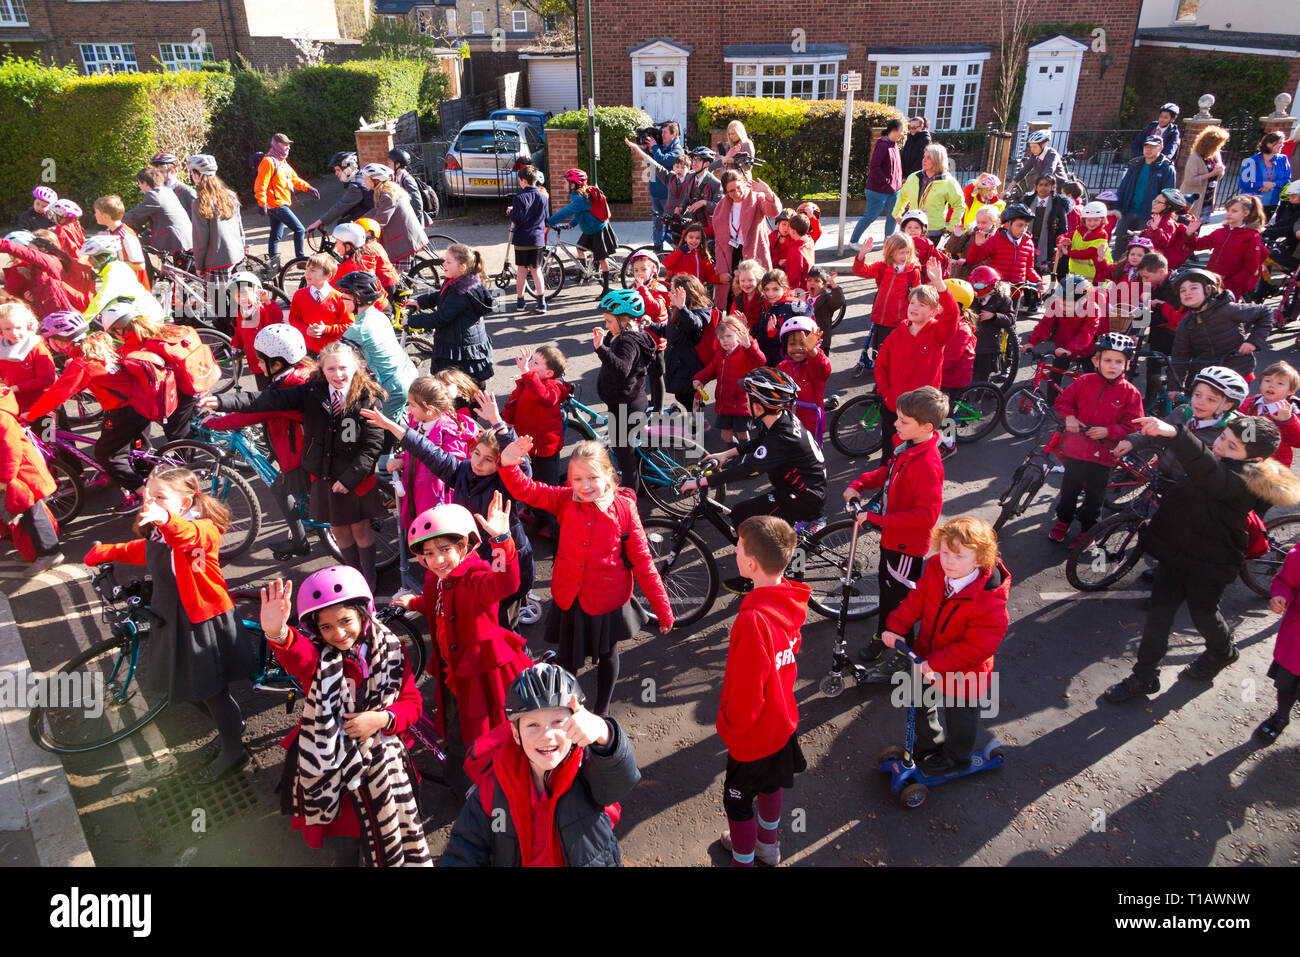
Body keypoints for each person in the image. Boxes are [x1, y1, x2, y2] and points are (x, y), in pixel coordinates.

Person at [1105, 415, 1300, 703]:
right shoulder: (1221, 463)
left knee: (1204, 614)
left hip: (1212, 563)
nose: (1220, 446)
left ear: (1255, 459)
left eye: (1232, 446)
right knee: (1159, 615)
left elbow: (1209, 473)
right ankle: (1144, 675)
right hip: (1177, 552)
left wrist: (1176, 434)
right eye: (1222, 438)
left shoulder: (1243, 482)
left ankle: (1223, 652)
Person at [84, 467, 254, 783]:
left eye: (160, 497)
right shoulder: (160, 529)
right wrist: (104, 552)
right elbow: (148, 551)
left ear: (186, 500)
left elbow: (186, 540)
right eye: (148, 495)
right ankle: (230, 727)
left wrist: (164, 519)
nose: (150, 502)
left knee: (210, 692)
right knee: (190, 688)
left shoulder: (203, 529)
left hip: (198, 620)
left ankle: (235, 751)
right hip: (171, 617)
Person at [256, 571, 430, 866]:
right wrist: (278, 633)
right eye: (326, 627)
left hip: (381, 762)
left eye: (345, 621)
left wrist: (381, 719)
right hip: (334, 770)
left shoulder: (392, 650)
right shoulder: (321, 659)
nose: (337, 634)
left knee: (381, 827)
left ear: (364, 613)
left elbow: (411, 703)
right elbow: (299, 656)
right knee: (346, 842)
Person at [499, 436, 673, 714]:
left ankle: (602, 711)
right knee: (568, 659)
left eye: (592, 477)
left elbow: (643, 562)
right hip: (571, 597)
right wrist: (508, 464)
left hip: (606, 600)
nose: (585, 486)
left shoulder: (624, 508)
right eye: (577, 479)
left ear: (607, 474)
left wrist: (663, 611)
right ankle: (567, 707)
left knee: (607, 655)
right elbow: (528, 490)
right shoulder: (565, 499)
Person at [201, 341, 388, 591]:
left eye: (343, 368)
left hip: (355, 478)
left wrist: (349, 479)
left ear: (355, 368)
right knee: (339, 531)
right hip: (324, 476)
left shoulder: (368, 398)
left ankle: (369, 580)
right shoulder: (312, 392)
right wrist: (221, 402)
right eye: (330, 369)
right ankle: (354, 578)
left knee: (360, 529)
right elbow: (265, 400)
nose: (337, 374)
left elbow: (372, 446)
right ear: (322, 370)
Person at [440, 662, 640, 866]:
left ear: (577, 722)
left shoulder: (588, 768)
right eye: (533, 725)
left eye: (558, 722)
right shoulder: (495, 786)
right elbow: (464, 847)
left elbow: (622, 781)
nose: (546, 736)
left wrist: (604, 732)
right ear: (516, 735)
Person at [391, 497, 533, 746]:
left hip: (480, 670)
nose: (437, 561)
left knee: (484, 725)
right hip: (453, 666)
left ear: (464, 546)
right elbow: (437, 605)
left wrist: (501, 540)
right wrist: (413, 603)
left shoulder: (476, 577)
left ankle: (480, 770)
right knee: (457, 716)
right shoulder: (436, 578)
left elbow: (505, 583)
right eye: (429, 554)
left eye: (445, 550)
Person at [880, 517, 1010, 777]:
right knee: (919, 701)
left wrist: (937, 663)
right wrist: (896, 625)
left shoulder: (988, 600)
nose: (948, 560)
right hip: (926, 655)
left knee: (961, 714)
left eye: (958, 556)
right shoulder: (936, 568)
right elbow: (918, 598)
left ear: (979, 560)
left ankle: (956, 757)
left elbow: (977, 647)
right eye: (946, 552)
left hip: (965, 671)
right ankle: (929, 745)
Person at [714, 515, 808, 867]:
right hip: (783, 724)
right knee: (771, 786)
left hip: (752, 736)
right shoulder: (788, 602)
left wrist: (731, 727)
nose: (735, 552)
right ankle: (768, 845)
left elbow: (746, 692)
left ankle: (743, 860)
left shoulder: (752, 619)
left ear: (750, 564)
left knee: (737, 801)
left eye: (738, 548)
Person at [845, 385, 947, 675]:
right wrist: (861, 482)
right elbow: (888, 472)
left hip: (906, 546)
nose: (896, 424)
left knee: (901, 602)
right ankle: (884, 635)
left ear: (926, 427)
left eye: (903, 421)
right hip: (894, 540)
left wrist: (876, 519)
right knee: (888, 593)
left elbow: (927, 516)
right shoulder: (909, 448)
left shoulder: (926, 464)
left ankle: (903, 652)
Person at [682, 367, 827, 563]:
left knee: (743, 514)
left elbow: (746, 469)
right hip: (801, 488)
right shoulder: (780, 418)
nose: (746, 401)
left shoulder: (781, 438)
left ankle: (767, 567)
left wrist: (700, 482)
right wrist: (726, 453)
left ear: (758, 407)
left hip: (802, 498)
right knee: (750, 514)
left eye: (748, 397)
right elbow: (760, 441)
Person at [204, 323, 314, 560]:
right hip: (305, 445)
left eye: (262, 361)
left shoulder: (287, 387)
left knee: (279, 488)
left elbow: (253, 411)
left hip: (299, 453)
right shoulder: (303, 373)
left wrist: (211, 422)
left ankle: (299, 541)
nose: (259, 366)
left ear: (277, 363)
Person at [24, 316, 146, 513]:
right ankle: (143, 474)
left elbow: (58, 393)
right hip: (137, 403)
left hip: (124, 410)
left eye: (50, 340)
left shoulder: (81, 362)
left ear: (61, 340)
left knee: (107, 455)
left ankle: (142, 493)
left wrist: (31, 415)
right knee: (125, 447)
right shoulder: (98, 343)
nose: (49, 344)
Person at [1048, 333, 1144, 545]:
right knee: (1068, 491)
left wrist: (1108, 432)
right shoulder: (1084, 381)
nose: (1112, 366)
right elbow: (1064, 401)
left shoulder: (1131, 393)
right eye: (1107, 360)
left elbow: (1133, 425)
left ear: (1126, 365)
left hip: (1103, 455)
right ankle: (1063, 521)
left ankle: (1087, 530)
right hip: (1076, 450)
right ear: (1096, 361)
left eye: (1119, 361)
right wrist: (1070, 416)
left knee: (1094, 498)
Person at [873, 258, 961, 462]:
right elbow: (881, 366)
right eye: (912, 302)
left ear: (934, 312)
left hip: (922, 409)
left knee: (917, 455)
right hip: (894, 406)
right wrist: (886, 394)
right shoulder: (896, 335)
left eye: (922, 305)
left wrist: (940, 285)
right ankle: (888, 483)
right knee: (890, 452)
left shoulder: (938, 334)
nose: (914, 307)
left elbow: (953, 315)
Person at [588, 288, 656, 487]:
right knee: (628, 451)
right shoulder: (631, 335)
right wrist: (608, 339)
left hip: (625, 406)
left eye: (609, 321)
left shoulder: (627, 342)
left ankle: (630, 499)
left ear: (625, 320)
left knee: (625, 458)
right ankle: (642, 484)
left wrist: (601, 348)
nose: (606, 325)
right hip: (632, 401)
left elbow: (621, 370)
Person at [502, 345, 572, 538]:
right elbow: (514, 402)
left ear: (549, 373)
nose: (530, 363)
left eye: (535, 362)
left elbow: (543, 396)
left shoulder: (554, 387)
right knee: (530, 481)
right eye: (531, 360)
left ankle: (555, 527)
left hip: (545, 448)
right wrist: (506, 420)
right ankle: (536, 513)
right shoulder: (528, 382)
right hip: (527, 446)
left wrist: (526, 371)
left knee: (547, 488)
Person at [334, 270, 419, 428]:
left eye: (345, 297)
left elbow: (332, 356)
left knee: (383, 434)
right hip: (407, 374)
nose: (342, 301)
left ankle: (390, 452)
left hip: (393, 387)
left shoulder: (359, 328)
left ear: (358, 300)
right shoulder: (377, 315)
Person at [406, 244, 495, 387]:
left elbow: (440, 318)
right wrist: (419, 302)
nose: (443, 264)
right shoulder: (457, 280)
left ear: (462, 267)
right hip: (459, 339)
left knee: (461, 386)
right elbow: (441, 295)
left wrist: (412, 321)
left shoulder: (461, 291)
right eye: (444, 260)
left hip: (461, 347)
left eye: (448, 262)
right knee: (457, 385)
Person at [0, 381, 63, 572]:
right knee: (27, 515)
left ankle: (49, 554)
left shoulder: (1, 417)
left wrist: (4, 481)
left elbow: (10, 451)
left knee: (32, 514)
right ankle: (38, 552)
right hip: (17, 475)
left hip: (21, 475)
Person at [1170, 267, 1271, 384]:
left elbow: (1265, 312)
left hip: (1237, 372)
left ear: (1208, 290)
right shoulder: (1186, 323)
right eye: (1182, 290)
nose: (1187, 292)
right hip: (1209, 375)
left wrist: (1254, 341)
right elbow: (1180, 356)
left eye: (1193, 288)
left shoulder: (1227, 309)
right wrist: (1174, 387)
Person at [851, 233, 921, 377]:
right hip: (881, 319)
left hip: (899, 321)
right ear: (891, 252)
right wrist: (861, 255)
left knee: (895, 354)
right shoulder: (882, 267)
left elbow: (917, 297)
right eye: (901, 252)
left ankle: (893, 376)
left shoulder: (913, 272)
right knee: (879, 353)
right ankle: (881, 375)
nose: (905, 256)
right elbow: (860, 270)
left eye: (908, 252)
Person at [711, 170, 782, 309]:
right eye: (731, 191)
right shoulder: (721, 207)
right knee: (732, 298)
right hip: (732, 256)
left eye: (738, 187)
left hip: (754, 254)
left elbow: (773, 212)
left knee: (757, 295)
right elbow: (719, 243)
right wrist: (721, 269)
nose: (736, 193)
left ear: (744, 183)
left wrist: (768, 192)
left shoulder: (757, 197)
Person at [694, 314, 764, 447]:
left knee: (742, 434)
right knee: (725, 436)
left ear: (738, 335)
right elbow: (711, 369)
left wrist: (749, 347)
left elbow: (760, 362)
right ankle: (736, 454)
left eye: (729, 336)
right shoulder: (721, 353)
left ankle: (744, 457)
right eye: (721, 338)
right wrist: (699, 378)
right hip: (725, 402)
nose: (725, 341)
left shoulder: (745, 351)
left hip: (741, 403)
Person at [1024, 274, 1107, 385]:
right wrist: (1032, 342)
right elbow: (1045, 324)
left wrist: (1070, 350)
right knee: (1054, 380)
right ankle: (1051, 402)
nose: (1063, 307)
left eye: (1067, 305)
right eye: (1062, 303)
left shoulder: (1093, 310)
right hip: (1062, 347)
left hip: (1086, 350)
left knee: (1093, 380)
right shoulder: (1056, 304)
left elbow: (1086, 334)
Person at [644, 274, 709, 415]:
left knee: (690, 397)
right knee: (681, 395)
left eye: (672, 291)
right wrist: (651, 325)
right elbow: (668, 331)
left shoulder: (697, 313)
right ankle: (697, 421)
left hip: (689, 366)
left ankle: (698, 425)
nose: (669, 293)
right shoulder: (678, 311)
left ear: (686, 295)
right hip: (678, 364)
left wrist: (682, 308)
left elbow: (694, 325)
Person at [1186, 195, 1268, 301]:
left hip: (1230, 288)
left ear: (1246, 213)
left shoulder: (1251, 237)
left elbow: (1250, 267)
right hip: (1210, 280)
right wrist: (1190, 233)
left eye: (1234, 211)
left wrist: (1229, 284)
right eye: (1228, 210)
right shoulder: (1221, 231)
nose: (1228, 214)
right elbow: (1198, 245)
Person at [549, 168, 618, 290]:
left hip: (597, 230)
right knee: (580, 248)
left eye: (566, 182)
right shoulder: (577, 195)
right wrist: (572, 224)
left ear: (573, 184)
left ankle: (606, 289)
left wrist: (548, 222)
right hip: (589, 229)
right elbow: (581, 213)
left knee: (602, 260)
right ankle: (583, 274)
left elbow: (566, 211)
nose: (564, 185)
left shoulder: (579, 198)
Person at [254, 133, 318, 263]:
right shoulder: (268, 162)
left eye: (288, 145)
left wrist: (308, 188)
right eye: (285, 145)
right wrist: (262, 202)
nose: (288, 148)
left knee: (275, 236)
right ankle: (300, 260)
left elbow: (294, 179)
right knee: (299, 229)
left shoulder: (282, 162)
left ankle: (273, 263)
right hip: (277, 205)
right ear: (276, 145)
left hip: (278, 205)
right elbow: (260, 184)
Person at [964, 204, 1047, 303]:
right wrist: (977, 245)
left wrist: (1038, 282)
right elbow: (972, 260)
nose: (1023, 229)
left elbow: (1029, 268)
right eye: (1020, 225)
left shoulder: (1028, 243)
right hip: (996, 292)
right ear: (1007, 225)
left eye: (1026, 225)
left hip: (1016, 293)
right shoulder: (995, 240)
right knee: (995, 317)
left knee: (1011, 318)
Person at [0, 230, 91, 317]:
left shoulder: (48, 260)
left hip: (57, 311)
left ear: (42, 249)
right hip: (52, 308)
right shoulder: (44, 263)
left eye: (31, 249)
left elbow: (8, 293)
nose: (29, 251)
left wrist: (2, 244)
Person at [185, 154, 245, 285]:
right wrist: (243, 248)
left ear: (196, 175)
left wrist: (199, 266)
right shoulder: (230, 195)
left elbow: (200, 240)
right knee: (242, 302)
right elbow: (239, 227)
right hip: (237, 256)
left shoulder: (199, 203)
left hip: (216, 262)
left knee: (219, 304)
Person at [1262, 542, 1300, 743]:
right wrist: (1280, 595)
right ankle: (1281, 716)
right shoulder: (1298, 556)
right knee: (1286, 685)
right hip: (1297, 644)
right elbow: (1286, 581)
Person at [1113, 136, 1176, 254]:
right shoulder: (1135, 164)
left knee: (1141, 249)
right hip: (1128, 211)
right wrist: (1117, 207)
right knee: (1120, 246)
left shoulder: (1166, 168)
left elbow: (1169, 194)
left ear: (1161, 148)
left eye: (1153, 147)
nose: (1148, 149)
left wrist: (1160, 214)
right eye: (1146, 146)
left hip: (1149, 215)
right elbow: (1123, 187)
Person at [362, 163, 429, 273]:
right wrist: (359, 222)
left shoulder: (387, 195)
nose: (364, 181)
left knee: (392, 277)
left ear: (376, 180)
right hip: (402, 239)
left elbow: (381, 220)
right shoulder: (385, 191)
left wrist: (366, 231)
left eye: (366, 178)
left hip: (403, 242)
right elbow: (375, 211)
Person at [893, 144, 965, 244]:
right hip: (911, 228)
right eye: (924, 156)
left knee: (926, 258)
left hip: (933, 230)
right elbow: (902, 196)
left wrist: (952, 226)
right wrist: (897, 213)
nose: (924, 160)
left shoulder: (948, 182)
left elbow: (959, 205)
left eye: (928, 158)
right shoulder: (914, 177)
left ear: (937, 160)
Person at [851, 117, 906, 246]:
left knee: (893, 216)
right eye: (901, 130)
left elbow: (895, 168)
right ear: (893, 130)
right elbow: (875, 167)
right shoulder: (883, 145)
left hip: (894, 190)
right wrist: (887, 183)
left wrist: (898, 183)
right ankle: (853, 241)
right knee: (870, 216)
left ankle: (889, 241)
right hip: (878, 190)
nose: (902, 134)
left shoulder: (894, 145)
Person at [776, 315, 830, 442]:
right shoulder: (782, 367)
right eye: (792, 344)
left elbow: (823, 368)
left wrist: (812, 351)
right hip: (787, 423)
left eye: (803, 343)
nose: (797, 348)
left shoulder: (814, 369)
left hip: (810, 426)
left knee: (808, 459)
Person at [287, 253, 352, 354]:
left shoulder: (339, 298)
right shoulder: (299, 295)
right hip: (307, 349)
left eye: (312, 270)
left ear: (327, 275)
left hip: (332, 351)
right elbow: (293, 319)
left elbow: (348, 325)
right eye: (306, 269)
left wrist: (326, 329)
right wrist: (306, 329)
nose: (307, 273)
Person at [0, 303, 56, 420]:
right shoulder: (2, 346)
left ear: (28, 325)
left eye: (18, 328)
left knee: (49, 437)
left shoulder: (37, 347)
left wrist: (15, 388)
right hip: (15, 406)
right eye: (7, 329)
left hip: (43, 405)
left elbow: (46, 379)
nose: (13, 333)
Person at [329, 222, 400, 314]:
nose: (335, 246)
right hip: (382, 305)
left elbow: (331, 288)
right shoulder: (365, 257)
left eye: (337, 242)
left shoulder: (350, 266)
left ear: (347, 246)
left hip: (373, 312)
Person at [1240, 362, 1300, 470]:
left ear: (1290, 391)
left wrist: (1288, 421)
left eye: (1280, 383)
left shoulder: (1290, 411)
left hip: (1274, 465)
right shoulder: (1251, 403)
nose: (1271, 385)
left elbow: (1297, 441)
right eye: (1267, 381)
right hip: (1245, 457)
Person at [506, 164, 550, 312]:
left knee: (522, 271)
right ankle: (541, 302)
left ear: (523, 180)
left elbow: (517, 218)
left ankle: (520, 302)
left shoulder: (519, 198)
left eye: (519, 180)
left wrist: (510, 212)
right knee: (537, 271)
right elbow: (546, 218)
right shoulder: (543, 197)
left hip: (522, 240)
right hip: (537, 239)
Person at [123, 167, 192, 256]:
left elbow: (134, 216)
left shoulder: (153, 195)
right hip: (186, 238)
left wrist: (115, 222)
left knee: (133, 242)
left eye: (139, 183)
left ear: (145, 182)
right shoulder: (167, 191)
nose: (140, 187)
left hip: (173, 240)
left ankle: (146, 269)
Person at [306, 151, 373, 233]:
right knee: (343, 222)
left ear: (348, 169)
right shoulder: (360, 176)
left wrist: (318, 223)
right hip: (368, 215)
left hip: (372, 221)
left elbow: (340, 206)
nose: (336, 173)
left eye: (338, 170)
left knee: (342, 227)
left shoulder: (356, 186)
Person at [968, 265, 1013, 384]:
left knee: (983, 374)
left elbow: (1010, 319)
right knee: (969, 372)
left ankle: (982, 393)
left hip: (989, 345)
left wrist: (994, 316)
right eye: (972, 285)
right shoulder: (972, 297)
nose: (975, 289)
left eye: (978, 286)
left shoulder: (1002, 299)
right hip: (971, 342)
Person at [90, 195, 149, 286]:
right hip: (120, 283)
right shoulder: (108, 232)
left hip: (134, 287)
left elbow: (140, 266)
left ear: (105, 216)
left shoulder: (126, 235)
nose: (94, 215)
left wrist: (112, 263)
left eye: (96, 212)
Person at [648, 121, 685, 251]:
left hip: (668, 196)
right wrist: (646, 146)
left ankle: (678, 250)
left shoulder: (677, 151)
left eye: (665, 132)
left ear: (673, 134)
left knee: (671, 225)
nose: (662, 135)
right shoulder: (660, 148)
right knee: (656, 224)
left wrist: (654, 147)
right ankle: (658, 250)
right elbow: (649, 159)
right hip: (655, 194)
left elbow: (662, 161)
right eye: (662, 132)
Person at [1239, 131, 1291, 219]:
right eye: (1279, 143)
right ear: (1269, 144)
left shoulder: (1283, 159)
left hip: (1273, 202)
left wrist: (1274, 184)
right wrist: (1262, 184)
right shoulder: (1251, 162)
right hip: (1252, 203)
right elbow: (1243, 184)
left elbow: (1287, 180)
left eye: (1282, 143)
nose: (1282, 145)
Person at [1180, 125, 1229, 220]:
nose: (1220, 146)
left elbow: (1219, 174)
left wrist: (1221, 170)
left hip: (1207, 197)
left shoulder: (1216, 154)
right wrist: (1211, 174)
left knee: (1200, 223)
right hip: (1193, 198)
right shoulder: (1195, 157)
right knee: (1188, 223)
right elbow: (1190, 180)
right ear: (1209, 145)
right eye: (1218, 144)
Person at [1061, 201, 1113, 281]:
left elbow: (1089, 253)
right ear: (1084, 220)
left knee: (1087, 293)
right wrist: (1061, 240)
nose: (1092, 223)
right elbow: (1064, 235)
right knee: (1070, 292)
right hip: (1076, 274)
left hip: (1094, 277)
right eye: (1089, 220)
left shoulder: (1102, 235)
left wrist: (1067, 252)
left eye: (1096, 220)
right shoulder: (1079, 231)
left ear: (1102, 220)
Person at [663, 222, 721, 287]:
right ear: (685, 238)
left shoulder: (703, 255)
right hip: (680, 292)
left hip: (696, 292)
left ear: (701, 240)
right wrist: (680, 251)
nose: (694, 240)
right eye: (691, 237)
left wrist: (721, 279)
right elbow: (667, 264)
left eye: (697, 238)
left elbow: (709, 277)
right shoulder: (680, 253)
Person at [802, 266, 844, 355]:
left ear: (824, 286)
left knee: (820, 365)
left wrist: (833, 284)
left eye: (817, 281)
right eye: (809, 280)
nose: (812, 283)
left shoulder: (826, 299)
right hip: (804, 339)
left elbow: (839, 301)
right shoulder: (803, 297)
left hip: (821, 341)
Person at [1264, 181, 1300, 272]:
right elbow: (1284, 221)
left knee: (1267, 256)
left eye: (1293, 197)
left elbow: (1290, 228)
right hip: (1291, 245)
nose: (1290, 200)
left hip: (1295, 253)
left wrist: (1267, 232)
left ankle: (1266, 285)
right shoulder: (1292, 207)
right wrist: (1268, 229)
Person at [386, 148, 427, 226]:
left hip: (412, 222)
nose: (388, 165)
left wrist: (409, 221)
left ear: (397, 164)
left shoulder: (407, 180)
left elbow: (417, 205)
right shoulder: (398, 178)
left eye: (390, 163)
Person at [899, 115, 931, 180]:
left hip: (916, 177)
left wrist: (909, 177)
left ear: (921, 126)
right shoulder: (910, 139)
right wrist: (902, 174)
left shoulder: (925, 140)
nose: (911, 130)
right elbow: (903, 156)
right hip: (905, 176)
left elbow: (920, 161)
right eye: (910, 127)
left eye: (914, 127)